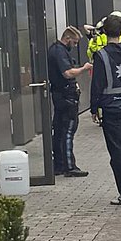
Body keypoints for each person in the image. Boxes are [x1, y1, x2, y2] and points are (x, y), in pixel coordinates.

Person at [90, 15, 121, 205]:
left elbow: (97, 84)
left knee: (117, 150)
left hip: (111, 108)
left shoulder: (101, 55)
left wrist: (94, 108)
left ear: (104, 31)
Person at [48, 26, 92, 177]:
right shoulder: (59, 52)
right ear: (67, 39)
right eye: (74, 42)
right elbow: (67, 73)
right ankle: (69, 166)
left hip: (61, 95)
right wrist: (84, 68)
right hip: (66, 96)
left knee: (60, 130)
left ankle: (59, 165)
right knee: (67, 130)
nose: (75, 45)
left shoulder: (56, 49)